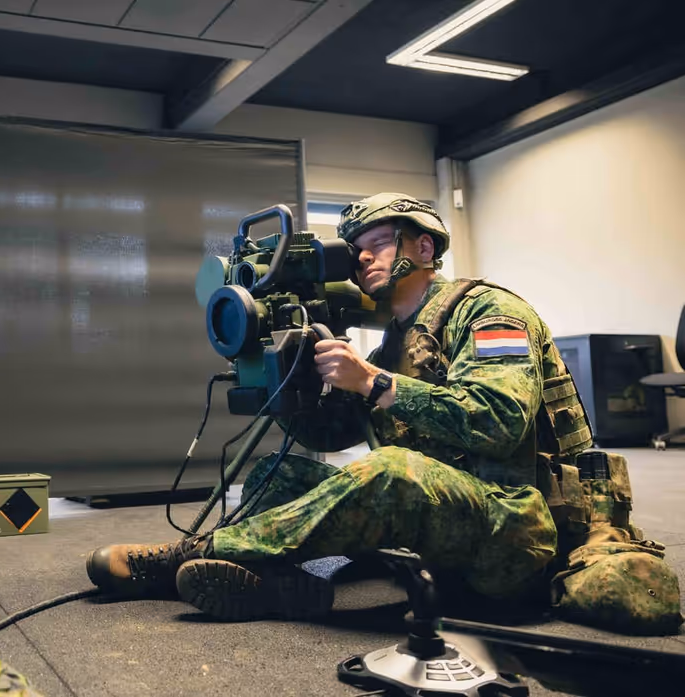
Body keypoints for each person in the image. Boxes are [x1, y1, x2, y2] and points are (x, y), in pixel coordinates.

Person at [85, 192, 594, 621]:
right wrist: (291, 383)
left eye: (377, 243)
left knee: (390, 470)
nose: (364, 258)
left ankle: (191, 555)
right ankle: (271, 584)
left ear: (423, 246)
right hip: (437, 522)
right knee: (274, 473)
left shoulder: (489, 311)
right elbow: (328, 438)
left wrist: (370, 381)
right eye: (357, 251)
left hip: (513, 530)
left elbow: (500, 420)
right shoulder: (394, 345)